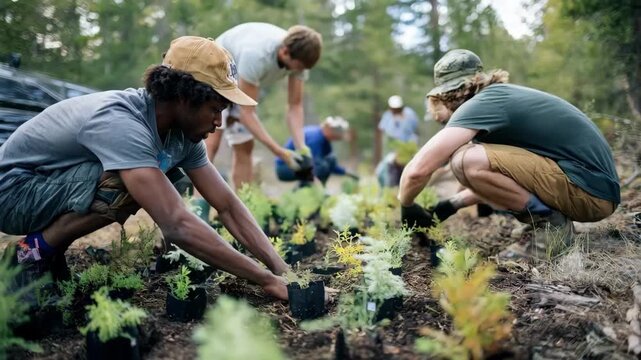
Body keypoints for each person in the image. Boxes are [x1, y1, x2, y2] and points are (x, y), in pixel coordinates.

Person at [0, 36, 289, 301]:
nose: (219, 123)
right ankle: (31, 254)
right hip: (13, 193)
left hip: (45, 188)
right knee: (128, 183)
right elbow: (177, 224)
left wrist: (280, 268)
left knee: (147, 178)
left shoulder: (182, 134)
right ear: (186, 98)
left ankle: (50, 251)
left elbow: (227, 206)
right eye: (215, 109)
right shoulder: (123, 122)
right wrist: (265, 280)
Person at [399, 49, 619, 261]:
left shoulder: (479, 105)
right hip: (593, 190)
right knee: (471, 160)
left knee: (464, 160)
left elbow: (417, 171)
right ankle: (545, 224)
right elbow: (508, 177)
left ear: (448, 95)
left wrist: (407, 205)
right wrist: (452, 204)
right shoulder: (497, 99)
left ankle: (550, 230)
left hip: (588, 192)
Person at [191, 22, 322, 220]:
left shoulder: (300, 58)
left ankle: (240, 213)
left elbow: (295, 106)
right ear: (285, 52)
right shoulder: (257, 55)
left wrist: (302, 147)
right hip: (216, 72)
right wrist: (280, 152)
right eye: (299, 67)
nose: (300, 71)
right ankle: (199, 214)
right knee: (211, 143)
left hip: (240, 80)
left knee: (245, 147)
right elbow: (247, 113)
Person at [275, 116, 357, 185]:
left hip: (301, 166)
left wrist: (346, 172)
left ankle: (311, 192)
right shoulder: (316, 138)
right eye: (337, 131)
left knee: (330, 159)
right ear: (329, 128)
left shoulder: (324, 140)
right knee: (321, 166)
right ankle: (308, 193)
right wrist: (317, 185)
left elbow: (331, 165)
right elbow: (313, 165)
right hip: (285, 167)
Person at [376, 95, 419, 187]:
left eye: (398, 108)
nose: (395, 111)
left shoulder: (409, 114)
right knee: (384, 173)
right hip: (393, 151)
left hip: (407, 151)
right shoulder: (387, 116)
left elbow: (414, 131)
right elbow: (383, 131)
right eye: (393, 109)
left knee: (406, 175)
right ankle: (390, 191)